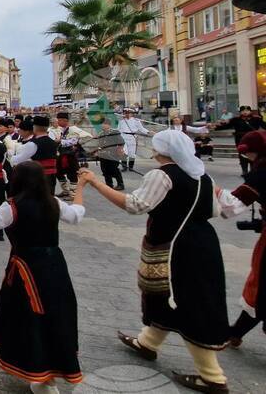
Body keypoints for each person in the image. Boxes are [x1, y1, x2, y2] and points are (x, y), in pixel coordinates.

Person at [79, 130, 231, 393]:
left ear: (162, 151)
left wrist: (95, 182)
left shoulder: (162, 175)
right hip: (203, 243)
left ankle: (212, 376)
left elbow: (135, 205)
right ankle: (147, 343)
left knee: (185, 301)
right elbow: (215, 211)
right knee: (164, 296)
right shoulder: (203, 177)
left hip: (175, 246)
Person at [0, 162, 85, 393]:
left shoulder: (13, 206)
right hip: (55, 266)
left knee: (30, 318)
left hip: (26, 270)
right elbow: (77, 215)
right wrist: (82, 186)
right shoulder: (53, 202)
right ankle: (48, 375)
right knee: (56, 313)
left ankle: (41, 374)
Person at [213, 131, 266, 347]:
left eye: (248, 155)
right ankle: (235, 332)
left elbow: (231, 206)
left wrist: (212, 188)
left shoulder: (262, 173)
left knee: (262, 285)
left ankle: (235, 332)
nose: (247, 159)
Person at [14, 116, 59, 195]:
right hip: (51, 176)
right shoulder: (53, 142)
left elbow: (17, 160)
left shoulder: (33, 143)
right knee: (49, 199)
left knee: (38, 200)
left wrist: (10, 155)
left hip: (38, 176)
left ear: (34, 127)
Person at [216, 106, 266, 175]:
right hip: (240, 139)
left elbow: (264, 125)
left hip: (253, 139)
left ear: (250, 111)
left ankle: (253, 170)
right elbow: (227, 126)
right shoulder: (236, 119)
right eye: (243, 111)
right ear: (240, 112)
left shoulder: (256, 119)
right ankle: (244, 170)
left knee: (253, 154)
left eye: (247, 110)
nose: (245, 112)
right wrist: (215, 127)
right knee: (242, 154)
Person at [54, 112, 90, 199]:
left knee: (72, 174)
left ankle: (73, 195)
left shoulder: (73, 129)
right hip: (62, 154)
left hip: (70, 156)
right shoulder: (63, 129)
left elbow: (81, 138)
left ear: (65, 120)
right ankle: (66, 191)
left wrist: (62, 141)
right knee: (58, 172)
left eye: (59, 120)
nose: (58, 122)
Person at [93, 117, 125, 190]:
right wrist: (97, 152)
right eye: (102, 124)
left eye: (104, 124)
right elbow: (99, 144)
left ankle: (120, 184)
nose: (102, 125)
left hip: (113, 154)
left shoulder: (114, 132)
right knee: (104, 170)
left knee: (114, 169)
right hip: (103, 154)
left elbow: (121, 142)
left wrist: (120, 150)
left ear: (109, 125)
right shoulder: (101, 133)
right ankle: (109, 185)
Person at [117, 108, 149, 172]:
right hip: (124, 137)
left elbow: (142, 129)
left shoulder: (136, 121)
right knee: (124, 153)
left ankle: (131, 167)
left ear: (131, 114)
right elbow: (119, 130)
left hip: (132, 137)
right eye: (125, 113)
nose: (127, 114)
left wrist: (148, 132)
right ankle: (124, 167)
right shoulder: (121, 121)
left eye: (129, 113)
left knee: (132, 153)